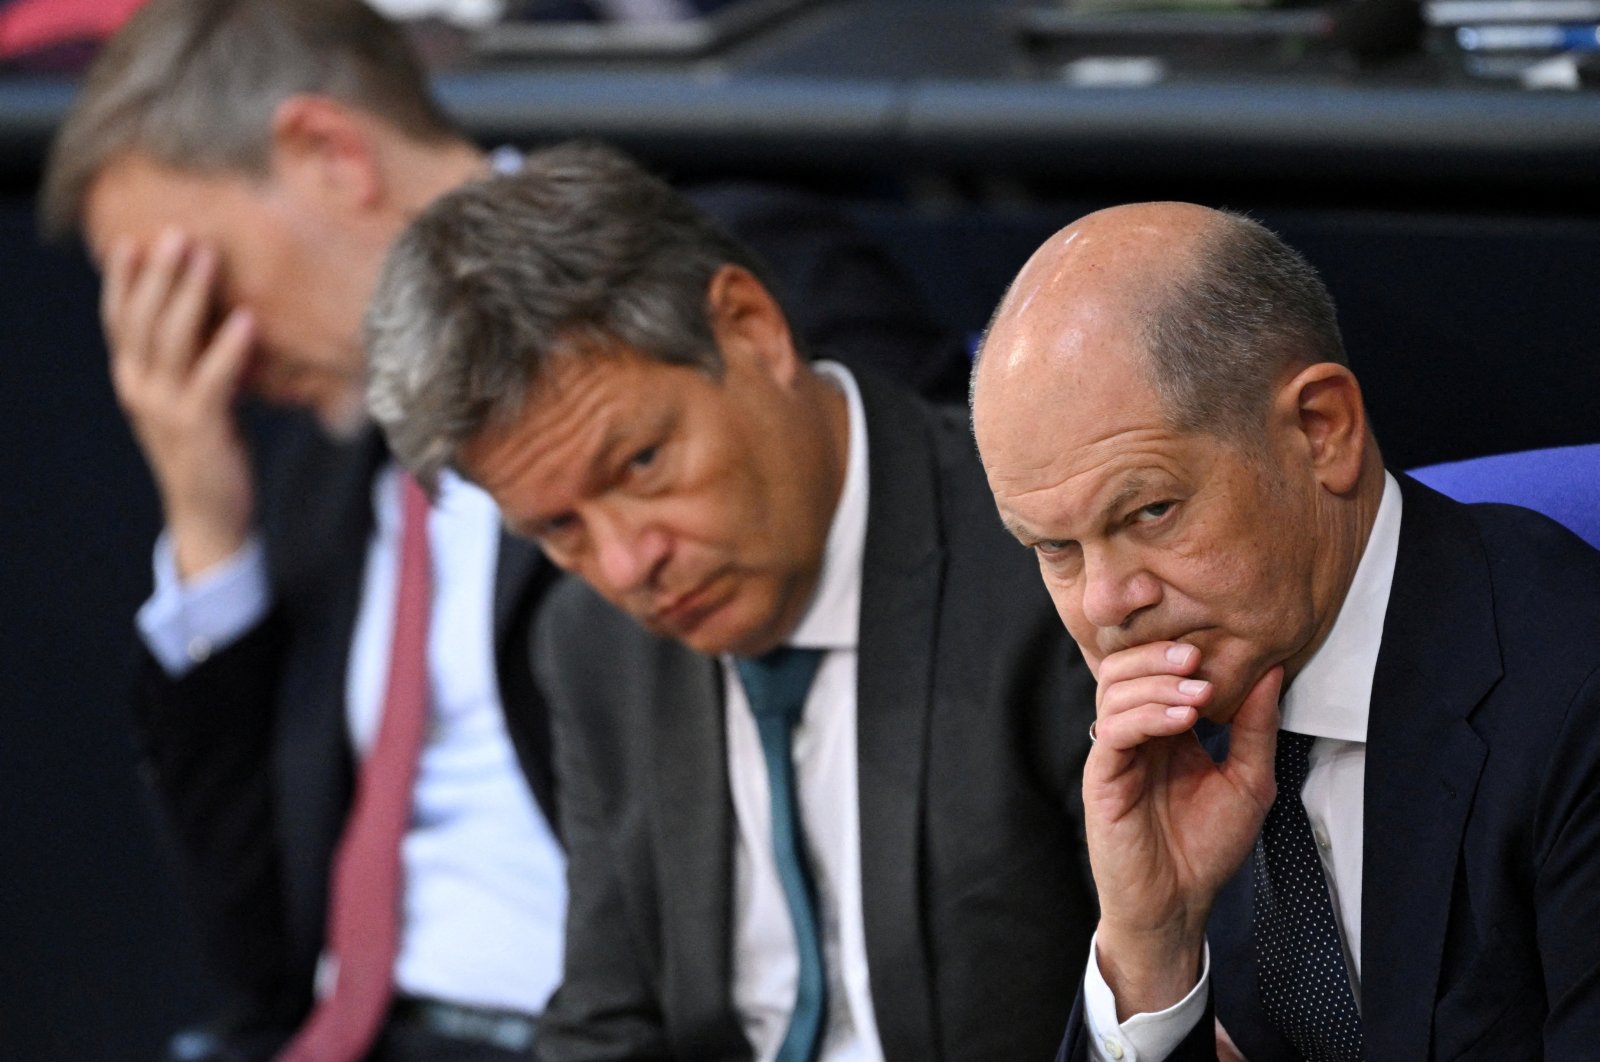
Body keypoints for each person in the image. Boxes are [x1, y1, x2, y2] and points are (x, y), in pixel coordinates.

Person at [40, 1, 967, 1059]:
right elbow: (259, 952)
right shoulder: (317, 476)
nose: (198, 352)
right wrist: (205, 523)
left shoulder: (714, 281)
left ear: (328, 154)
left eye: (195, 282)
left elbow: (957, 633)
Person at [362, 140, 1101, 1062]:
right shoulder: (589, 641)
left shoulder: (1052, 564)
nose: (629, 564)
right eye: (558, 529)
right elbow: (606, 1020)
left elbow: (1175, 999)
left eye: (641, 464)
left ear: (751, 328)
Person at [969, 201, 1600, 1061]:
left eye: (1151, 510)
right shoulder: (1155, 743)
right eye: (1055, 548)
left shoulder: (1574, 700)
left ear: (1320, 430)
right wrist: (1151, 950)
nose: (1109, 603)